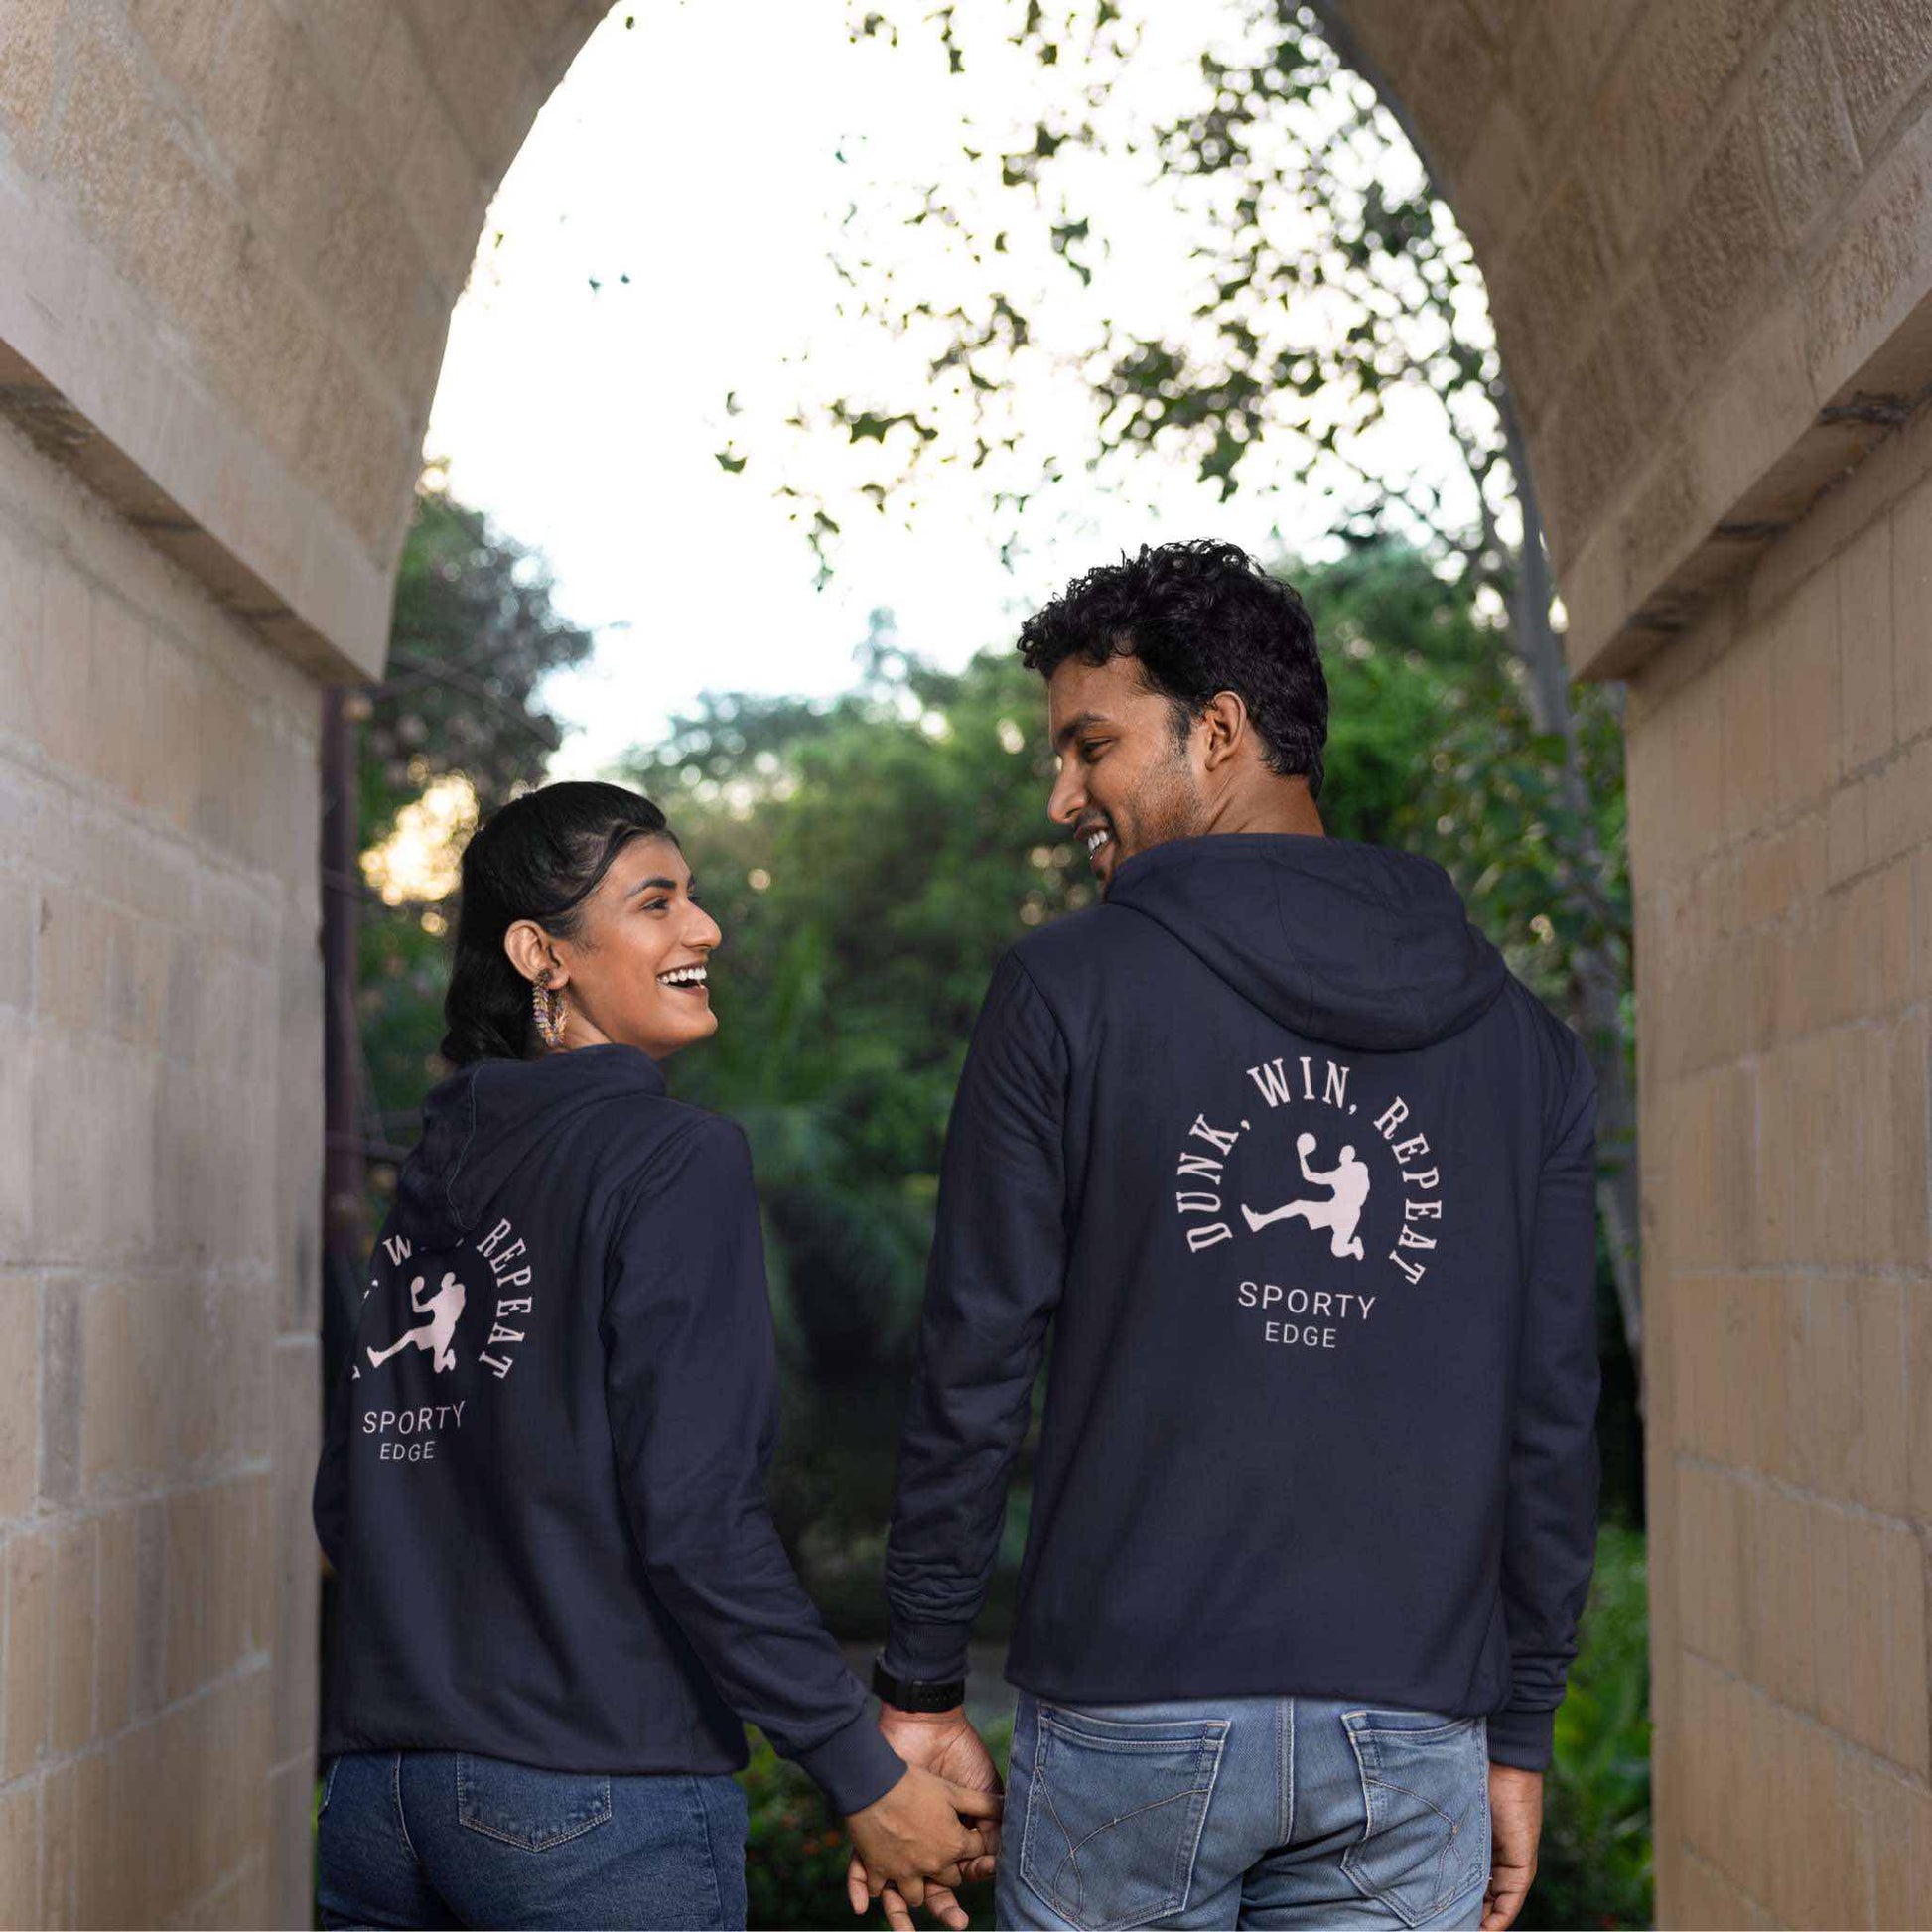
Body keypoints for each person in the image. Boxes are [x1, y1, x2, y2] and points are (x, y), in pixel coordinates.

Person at [853, 542, 1600, 1931]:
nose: (1061, 793)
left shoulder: (1065, 991)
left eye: (1089, 745)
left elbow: (974, 1361)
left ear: (1218, 731)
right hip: (1412, 1726)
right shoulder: (1520, 1044)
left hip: (1135, 1706)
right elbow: (1549, 1415)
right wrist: (1517, 1727)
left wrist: (918, 1687)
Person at [313, 781, 996, 1931]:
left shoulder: (432, 1178)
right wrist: (861, 1771)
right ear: (543, 953)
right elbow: (694, 1515)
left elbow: (351, 1499)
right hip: (589, 1806)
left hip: (381, 1806)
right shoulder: (672, 1157)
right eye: (656, 901)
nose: (705, 928)